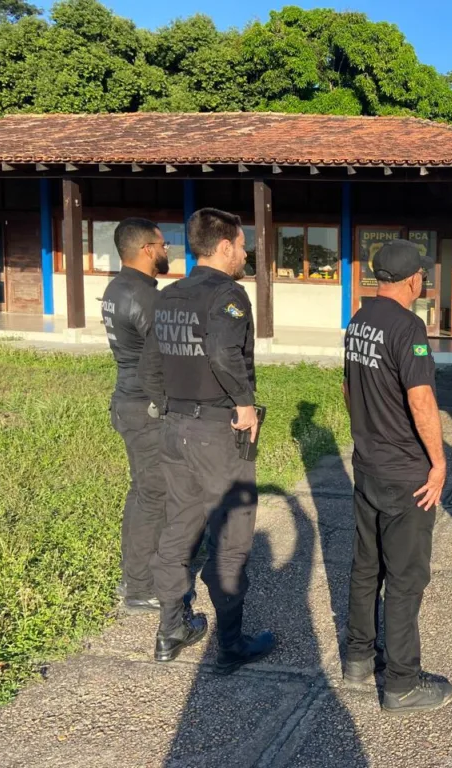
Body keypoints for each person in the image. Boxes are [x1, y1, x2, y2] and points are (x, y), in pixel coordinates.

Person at [139, 207, 274, 673]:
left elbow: (149, 367)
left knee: (178, 530)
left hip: (174, 429)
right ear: (223, 247)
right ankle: (232, 645)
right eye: (240, 244)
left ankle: (170, 630)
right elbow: (221, 350)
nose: (244, 251)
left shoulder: (169, 294)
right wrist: (243, 402)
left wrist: (165, 407)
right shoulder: (228, 295)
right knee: (231, 537)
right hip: (217, 432)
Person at [340, 239, 452, 715]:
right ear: (413, 280)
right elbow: (421, 399)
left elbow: (349, 388)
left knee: (367, 566)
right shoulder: (409, 328)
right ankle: (403, 682)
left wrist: (368, 433)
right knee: (406, 578)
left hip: (367, 465)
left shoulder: (359, 321)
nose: (422, 281)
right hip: (405, 473)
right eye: (422, 276)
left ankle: (358, 658)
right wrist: (439, 461)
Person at [101, 218, 170, 613]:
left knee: (143, 492)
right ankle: (141, 588)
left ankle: (133, 576)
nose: (166, 251)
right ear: (146, 249)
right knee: (154, 496)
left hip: (127, 402)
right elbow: (159, 360)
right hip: (145, 408)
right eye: (162, 244)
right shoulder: (145, 296)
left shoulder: (117, 287)